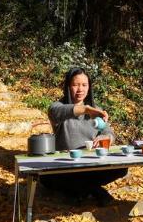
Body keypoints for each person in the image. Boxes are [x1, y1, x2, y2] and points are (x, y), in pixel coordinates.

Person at [45, 67, 127, 200]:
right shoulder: (58, 107)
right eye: (75, 85)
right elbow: (56, 112)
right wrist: (86, 110)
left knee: (122, 168)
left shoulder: (96, 110)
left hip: (90, 165)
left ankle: (81, 191)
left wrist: (106, 137)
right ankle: (93, 189)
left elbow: (109, 133)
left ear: (89, 87)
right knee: (47, 178)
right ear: (68, 87)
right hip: (66, 166)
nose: (80, 89)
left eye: (84, 85)